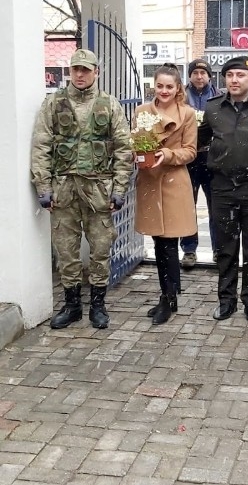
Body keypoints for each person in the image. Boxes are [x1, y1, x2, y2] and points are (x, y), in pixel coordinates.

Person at [31, 48, 133, 330]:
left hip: (99, 190)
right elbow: (41, 146)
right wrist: (43, 186)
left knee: (100, 248)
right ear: (70, 71)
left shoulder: (109, 105)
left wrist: (119, 189)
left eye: (86, 70)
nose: (80, 74)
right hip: (63, 190)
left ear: (95, 72)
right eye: (76, 69)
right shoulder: (53, 104)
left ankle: (98, 305)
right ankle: (72, 305)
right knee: (66, 250)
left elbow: (123, 149)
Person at [199, 55, 248, 322]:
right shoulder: (213, 108)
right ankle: (226, 299)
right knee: (225, 247)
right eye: (230, 75)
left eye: (240, 75)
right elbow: (198, 140)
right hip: (222, 186)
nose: (234, 80)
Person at [134, 63, 197, 325]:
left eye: (169, 86)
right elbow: (136, 143)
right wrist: (136, 153)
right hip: (150, 180)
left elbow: (191, 151)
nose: (164, 90)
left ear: (178, 87)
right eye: (160, 85)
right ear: (154, 86)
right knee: (159, 243)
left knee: (169, 244)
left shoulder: (187, 114)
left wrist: (167, 154)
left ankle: (169, 297)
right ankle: (168, 295)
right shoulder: (141, 112)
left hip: (174, 182)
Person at [180, 59, 220, 268]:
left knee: (217, 206)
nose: (199, 76)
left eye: (203, 73)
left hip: (212, 157)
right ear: (190, 75)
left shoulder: (219, 96)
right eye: (195, 73)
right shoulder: (181, 96)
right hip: (189, 158)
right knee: (188, 206)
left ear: (209, 76)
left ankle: (218, 250)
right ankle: (189, 249)